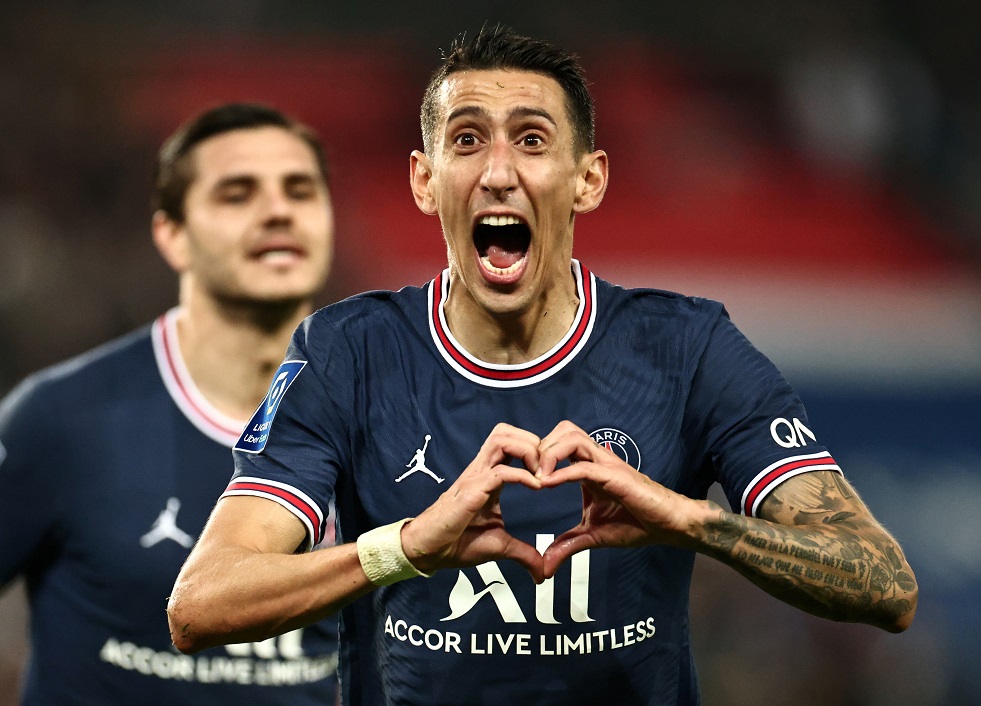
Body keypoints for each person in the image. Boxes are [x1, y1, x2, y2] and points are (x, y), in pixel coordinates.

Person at [168, 29, 918, 706]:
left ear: (587, 178)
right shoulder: (348, 352)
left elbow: (886, 583)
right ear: (424, 181)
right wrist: (405, 547)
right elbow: (201, 602)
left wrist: (685, 520)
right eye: (466, 141)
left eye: (531, 140)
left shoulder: (687, 349)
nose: (498, 172)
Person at [0, 103, 340, 704]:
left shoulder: (386, 420)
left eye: (301, 190)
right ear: (172, 235)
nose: (278, 210)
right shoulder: (61, 420)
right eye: (238, 194)